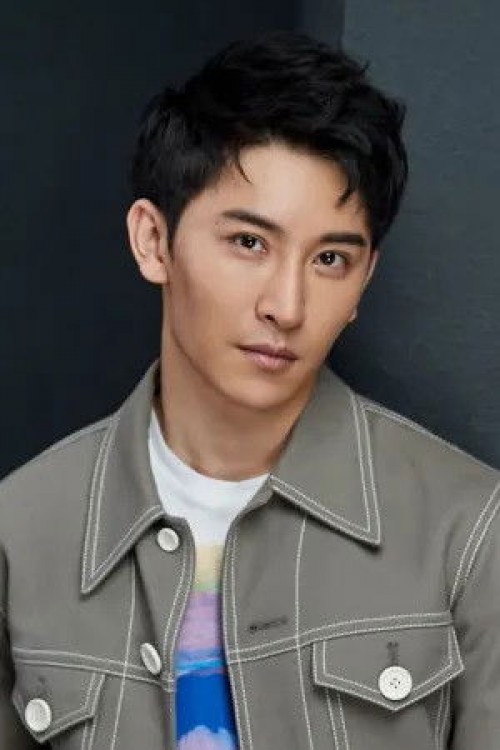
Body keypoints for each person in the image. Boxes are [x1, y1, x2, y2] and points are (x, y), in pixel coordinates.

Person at [0, 29, 499, 750]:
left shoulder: (472, 530)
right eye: (248, 243)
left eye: (330, 259)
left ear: (365, 279)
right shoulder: (19, 534)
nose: (286, 306)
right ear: (153, 241)